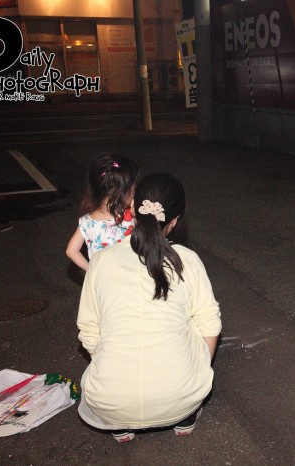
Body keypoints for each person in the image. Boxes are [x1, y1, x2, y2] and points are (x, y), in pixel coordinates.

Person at [76, 173, 222, 442]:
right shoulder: (187, 260)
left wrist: (116, 362)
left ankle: (119, 423)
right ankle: (185, 416)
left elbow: (88, 330)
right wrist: (198, 368)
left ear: (132, 208)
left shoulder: (100, 261)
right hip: (179, 397)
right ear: (175, 220)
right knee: (194, 318)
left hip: (110, 402)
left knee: (107, 330)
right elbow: (210, 322)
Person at [66, 153, 140, 271]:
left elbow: (71, 251)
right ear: (122, 193)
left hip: (104, 279)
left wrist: (92, 271)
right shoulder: (129, 216)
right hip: (129, 275)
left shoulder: (86, 222)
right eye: (133, 190)